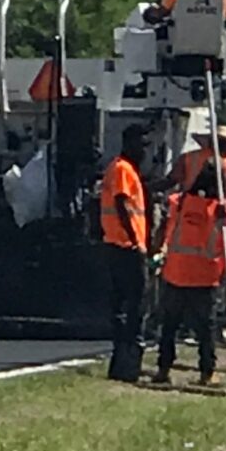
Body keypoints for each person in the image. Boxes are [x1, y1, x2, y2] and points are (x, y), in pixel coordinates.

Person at [152, 163, 226, 386]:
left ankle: (163, 369)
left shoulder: (178, 203)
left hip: (176, 273)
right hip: (205, 277)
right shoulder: (222, 210)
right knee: (205, 329)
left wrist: (155, 252)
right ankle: (207, 372)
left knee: (169, 325)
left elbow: (161, 232)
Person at [100, 124, 150, 383]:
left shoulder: (125, 169)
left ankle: (123, 364)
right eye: (142, 144)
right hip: (125, 247)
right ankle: (128, 363)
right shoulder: (122, 169)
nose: (145, 150)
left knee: (126, 308)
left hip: (121, 245)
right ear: (129, 143)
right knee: (135, 306)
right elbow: (121, 204)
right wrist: (134, 240)